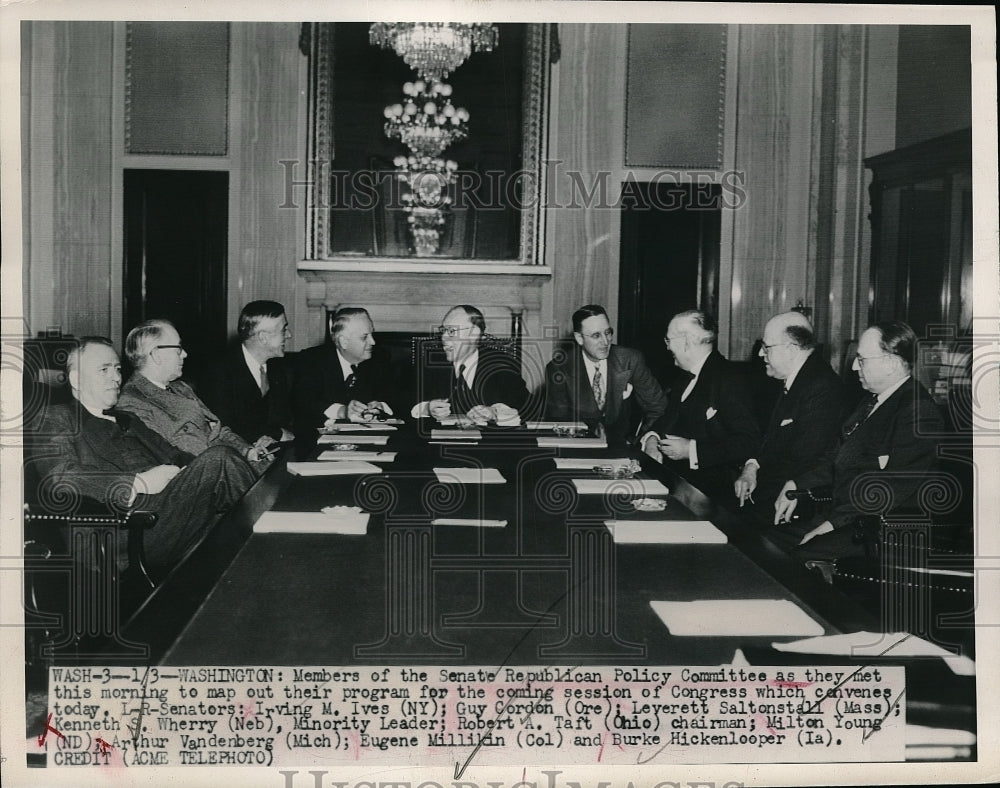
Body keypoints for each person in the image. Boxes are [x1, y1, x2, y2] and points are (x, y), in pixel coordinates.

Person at [29, 337, 256, 570]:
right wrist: (139, 482)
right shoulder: (55, 417)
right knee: (220, 460)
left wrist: (187, 476)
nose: (116, 377)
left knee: (231, 515)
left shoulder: (129, 419)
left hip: (167, 514)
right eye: (104, 370)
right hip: (119, 530)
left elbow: (180, 457)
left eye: (117, 369)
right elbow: (59, 478)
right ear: (76, 379)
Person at [771, 321, 944, 560]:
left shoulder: (918, 412)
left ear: (892, 364)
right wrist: (797, 484)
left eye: (862, 360)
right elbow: (836, 458)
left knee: (801, 556)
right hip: (847, 518)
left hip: (882, 531)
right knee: (766, 543)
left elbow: (890, 489)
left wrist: (831, 525)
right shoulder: (872, 402)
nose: (854, 366)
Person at [733, 312, 845, 521]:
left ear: (791, 349)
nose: (760, 354)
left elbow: (805, 460)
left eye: (767, 347)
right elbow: (772, 441)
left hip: (792, 505)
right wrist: (752, 466)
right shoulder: (796, 380)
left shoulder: (822, 388)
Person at [117, 319, 273, 468]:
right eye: (178, 348)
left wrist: (248, 451)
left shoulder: (181, 388)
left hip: (226, 463)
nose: (184, 354)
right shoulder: (131, 402)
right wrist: (237, 460)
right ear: (157, 355)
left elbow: (218, 429)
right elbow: (172, 454)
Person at [647, 310, 761, 499]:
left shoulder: (729, 379)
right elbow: (667, 419)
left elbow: (748, 441)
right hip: (679, 483)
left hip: (712, 492)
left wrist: (691, 450)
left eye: (669, 340)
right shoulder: (684, 377)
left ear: (686, 342)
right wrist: (651, 439)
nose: (667, 348)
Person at [545, 304, 667, 445]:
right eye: (596, 335)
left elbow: (658, 407)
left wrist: (649, 439)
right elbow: (560, 423)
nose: (605, 341)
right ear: (579, 338)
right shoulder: (559, 369)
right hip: (578, 445)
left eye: (608, 332)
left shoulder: (630, 360)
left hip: (624, 444)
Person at [411, 304, 530, 423]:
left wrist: (495, 412)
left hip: (487, 440)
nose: (444, 337)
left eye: (451, 331)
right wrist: (426, 408)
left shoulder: (500, 364)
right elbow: (400, 402)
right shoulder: (428, 362)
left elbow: (527, 407)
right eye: (443, 330)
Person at [201, 300, 294, 444]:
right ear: (263, 337)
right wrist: (276, 434)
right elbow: (224, 427)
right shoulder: (219, 372)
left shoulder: (279, 368)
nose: (289, 335)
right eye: (283, 329)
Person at [291, 307, 395, 435]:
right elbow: (305, 404)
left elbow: (395, 396)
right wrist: (343, 411)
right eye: (364, 337)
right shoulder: (311, 360)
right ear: (343, 341)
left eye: (372, 334)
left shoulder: (380, 357)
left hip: (368, 438)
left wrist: (381, 406)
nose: (372, 342)